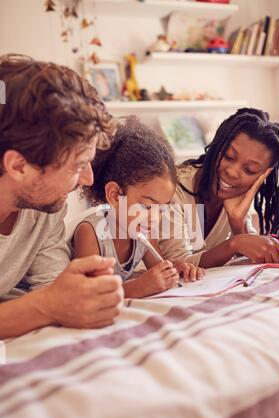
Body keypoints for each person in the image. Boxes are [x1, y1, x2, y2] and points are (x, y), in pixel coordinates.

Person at [0, 54, 124, 339]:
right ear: (19, 166)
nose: (89, 179)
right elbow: (48, 303)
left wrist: (79, 295)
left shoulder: (44, 209)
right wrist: (47, 307)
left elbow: (51, 289)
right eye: (79, 166)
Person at [73, 117, 205, 298]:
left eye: (163, 209)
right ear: (115, 195)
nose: (156, 218)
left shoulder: (142, 232)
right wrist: (139, 287)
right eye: (147, 206)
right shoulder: (90, 232)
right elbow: (89, 295)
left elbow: (160, 267)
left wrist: (176, 269)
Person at [159, 108, 279, 267]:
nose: (232, 172)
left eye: (249, 170)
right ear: (217, 146)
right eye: (228, 157)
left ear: (262, 177)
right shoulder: (171, 188)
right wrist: (234, 243)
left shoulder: (235, 196)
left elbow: (251, 260)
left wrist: (238, 224)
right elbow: (179, 265)